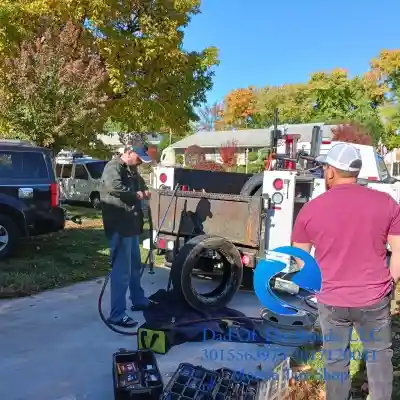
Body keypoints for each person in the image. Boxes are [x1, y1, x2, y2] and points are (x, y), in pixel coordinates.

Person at [291, 142, 400, 400]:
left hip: (331, 300)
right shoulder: (386, 203)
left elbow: (300, 260)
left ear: (331, 171)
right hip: (374, 298)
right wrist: (390, 282)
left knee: (335, 359)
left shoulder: (311, 209)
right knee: (379, 356)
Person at [100, 144, 152, 328]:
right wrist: (137, 195)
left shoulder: (132, 170)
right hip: (119, 227)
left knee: (134, 267)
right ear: (129, 152)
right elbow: (115, 187)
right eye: (138, 158)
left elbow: (142, 186)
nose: (139, 162)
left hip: (132, 226)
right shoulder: (112, 167)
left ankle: (138, 299)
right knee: (121, 272)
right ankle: (117, 314)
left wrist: (145, 191)